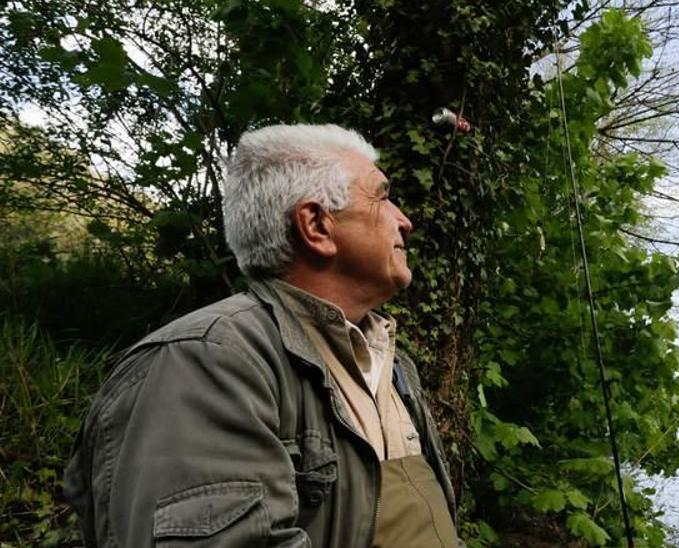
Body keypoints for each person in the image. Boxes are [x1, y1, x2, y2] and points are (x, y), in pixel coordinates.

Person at [64, 124, 460, 547]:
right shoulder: (205, 360)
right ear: (317, 227)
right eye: (382, 197)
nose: (405, 220)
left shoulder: (394, 365)